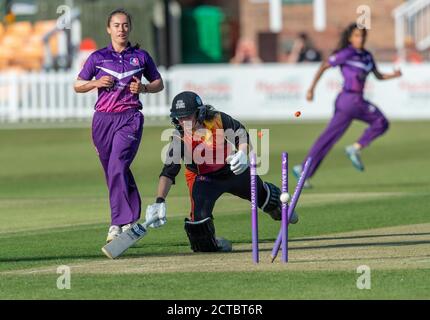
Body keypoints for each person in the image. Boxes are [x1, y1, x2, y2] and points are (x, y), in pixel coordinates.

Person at [144, 91, 297, 252]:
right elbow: (168, 173)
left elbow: (241, 133)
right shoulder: (179, 139)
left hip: (232, 170)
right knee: (198, 228)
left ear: (200, 113)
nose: (183, 122)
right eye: (180, 118)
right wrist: (159, 200)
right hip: (204, 180)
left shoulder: (217, 119)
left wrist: (242, 154)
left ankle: (278, 209)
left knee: (267, 199)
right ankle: (214, 242)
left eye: (187, 117)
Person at [73, 8, 164, 242]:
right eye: (116, 25)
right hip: (102, 120)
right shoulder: (97, 57)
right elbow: (77, 85)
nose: (121, 29)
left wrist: (142, 88)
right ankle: (131, 214)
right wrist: (96, 82)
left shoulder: (141, 57)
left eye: (125, 25)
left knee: (117, 166)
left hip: (129, 118)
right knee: (113, 170)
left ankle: (118, 223)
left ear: (129, 28)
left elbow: (158, 83)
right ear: (108, 29)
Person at [293, 23, 402, 188]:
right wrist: (311, 89)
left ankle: (303, 169)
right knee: (381, 122)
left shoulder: (366, 55)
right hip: (350, 99)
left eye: (363, 35)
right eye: (357, 35)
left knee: (328, 137)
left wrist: (394, 75)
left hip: (352, 101)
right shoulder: (346, 53)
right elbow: (324, 66)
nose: (361, 39)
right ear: (350, 38)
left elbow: (378, 75)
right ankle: (355, 148)